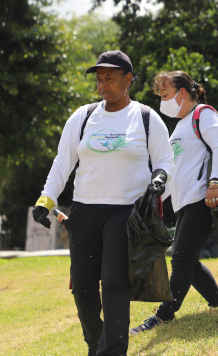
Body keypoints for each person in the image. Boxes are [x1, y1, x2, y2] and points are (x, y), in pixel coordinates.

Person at [31, 50, 175, 356]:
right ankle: (95, 343)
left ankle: (112, 351)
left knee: (113, 281)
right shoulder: (83, 116)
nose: (102, 84)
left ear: (128, 80)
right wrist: (46, 200)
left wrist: (160, 179)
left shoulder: (147, 118)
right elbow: (63, 162)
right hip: (85, 210)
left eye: (109, 77)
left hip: (126, 211)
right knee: (83, 287)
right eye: (99, 78)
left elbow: (165, 159)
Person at [130, 70, 218, 335]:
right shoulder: (182, 124)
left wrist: (215, 182)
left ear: (182, 92)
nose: (162, 101)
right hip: (186, 203)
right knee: (188, 260)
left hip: (202, 200)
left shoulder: (204, 114)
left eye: (164, 94)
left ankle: (163, 316)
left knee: (182, 259)